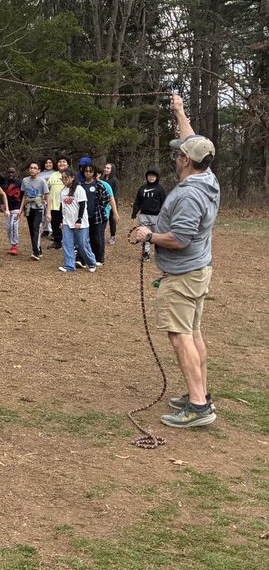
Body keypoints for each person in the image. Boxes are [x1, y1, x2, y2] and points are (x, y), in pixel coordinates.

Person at [132, 96, 220, 429]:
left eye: (180, 153)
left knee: (180, 336)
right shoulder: (207, 177)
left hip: (183, 275)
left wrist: (148, 235)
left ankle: (198, 406)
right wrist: (180, 111)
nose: (177, 156)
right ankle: (200, 394)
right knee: (192, 332)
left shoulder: (188, 194)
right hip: (197, 271)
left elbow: (179, 239)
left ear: (186, 161)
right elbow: (192, 140)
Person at [57, 170, 97, 273]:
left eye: (66, 178)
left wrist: (79, 219)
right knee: (67, 243)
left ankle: (91, 262)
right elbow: (62, 207)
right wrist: (61, 220)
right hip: (67, 221)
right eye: (62, 178)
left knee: (82, 244)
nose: (64, 180)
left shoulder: (79, 189)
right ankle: (69, 265)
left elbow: (82, 205)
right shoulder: (63, 191)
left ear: (72, 177)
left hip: (80, 222)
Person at [130, 168, 167, 259]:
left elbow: (165, 203)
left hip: (156, 216)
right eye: (149, 176)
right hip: (144, 215)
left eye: (153, 176)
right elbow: (137, 202)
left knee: (157, 235)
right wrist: (134, 213)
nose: (151, 177)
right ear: (147, 177)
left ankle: (160, 253)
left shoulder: (160, 189)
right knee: (144, 235)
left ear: (157, 177)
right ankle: (146, 254)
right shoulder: (142, 188)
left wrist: (165, 216)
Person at [18, 161, 49, 260]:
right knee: (32, 229)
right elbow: (24, 196)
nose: (32, 170)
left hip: (39, 207)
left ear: (39, 170)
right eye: (31, 168)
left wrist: (48, 212)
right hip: (29, 208)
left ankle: (36, 252)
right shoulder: (25, 180)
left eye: (35, 168)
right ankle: (38, 249)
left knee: (36, 228)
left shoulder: (42, 181)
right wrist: (20, 209)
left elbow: (47, 196)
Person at [81, 163, 110, 265]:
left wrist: (100, 208)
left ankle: (99, 258)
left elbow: (106, 198)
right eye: (86, 171)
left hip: (96, 215)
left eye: (90, 171)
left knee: (97, 237)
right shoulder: (80, 185)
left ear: (94, 173)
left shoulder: (98, 185)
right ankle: (86, 257)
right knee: (85, 237)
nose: (88, 173)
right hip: (84, 215)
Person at [47, 156, 69, 248]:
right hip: (54, 204)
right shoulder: (53, 175)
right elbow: (47, 189)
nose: (61, 163)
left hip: (67, 205)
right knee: (55, 224)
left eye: (64, 162)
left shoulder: (71, 175)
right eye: (60, 162)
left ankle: (68, 242)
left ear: (68, 164)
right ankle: (57, 241)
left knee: (67, 224)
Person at [4, 167, 22, 255]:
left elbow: (23, 195)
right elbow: (2, 194)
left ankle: (14, 245)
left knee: (13, 225)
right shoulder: (5, 183)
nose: (11, 174)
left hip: (17, 207)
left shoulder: (20, 182)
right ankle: (12, 243)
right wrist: (2, 204)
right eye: (9, 172)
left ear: (15, 173)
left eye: (12, 172)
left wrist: (22, 208)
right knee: (8, 227)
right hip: (8, 208)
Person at [103, 162, 120, 244]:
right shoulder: (102, 179)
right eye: (105, 168)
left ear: (112, 170)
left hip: (112, 203)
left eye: (108, 168)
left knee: (112, 221)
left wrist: (112, 205)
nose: (106, 169)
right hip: (103, 203)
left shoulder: (114, 180)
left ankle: (113, 236)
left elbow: (115, 194)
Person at [40, 158, 56, 236]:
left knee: (53, 213)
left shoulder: (56, 173)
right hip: (43, 196)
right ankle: (46, 230)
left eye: (50, 163)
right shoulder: (40, 174)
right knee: (44, 213)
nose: (48, 164)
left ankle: (54, 230)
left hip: (53, 196)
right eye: (46, 163)